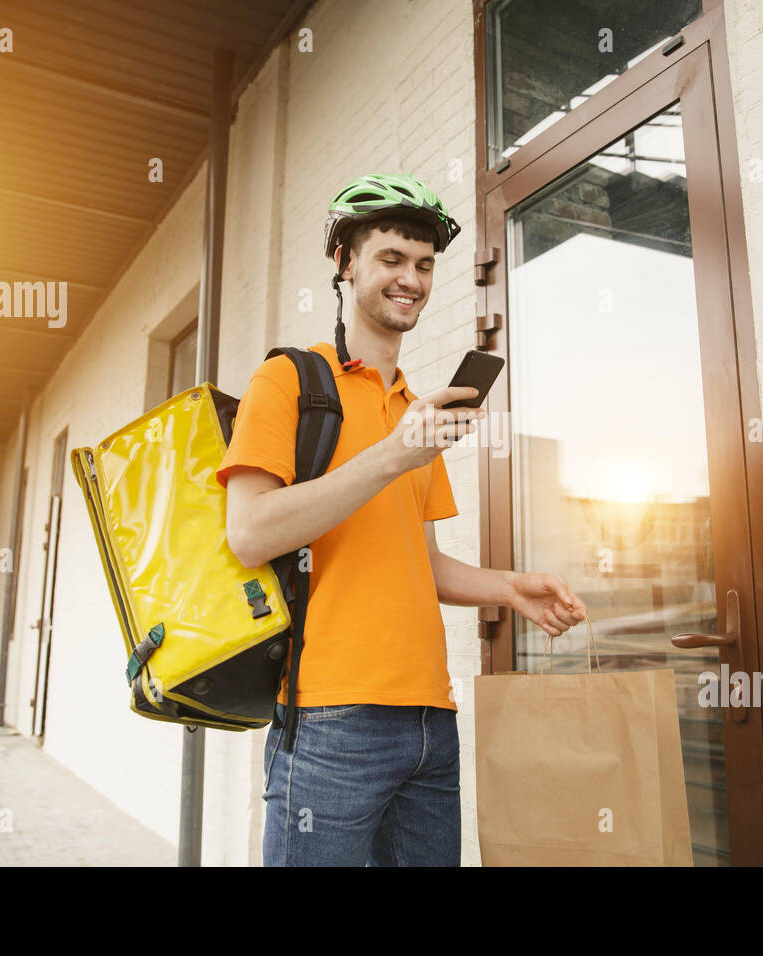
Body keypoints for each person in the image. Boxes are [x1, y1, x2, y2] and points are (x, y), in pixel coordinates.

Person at [215, 173, 587, 867]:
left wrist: (511, 587)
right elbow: (251, 532)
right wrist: (392, 456)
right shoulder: (290, 381)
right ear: (345, 263)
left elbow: (423, 561)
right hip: (330, 719)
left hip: (429, 720)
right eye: (391, 258)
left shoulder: (419, 409)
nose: (410, 278)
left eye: (423, 265)